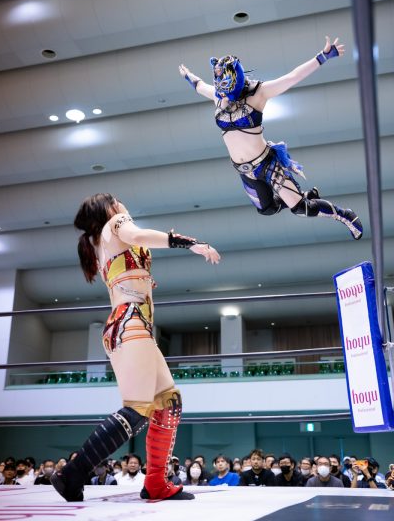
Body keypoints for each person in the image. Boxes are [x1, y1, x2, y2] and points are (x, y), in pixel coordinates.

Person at [51, 193, 220, 503]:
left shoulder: (100, 242)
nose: (122, 203)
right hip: (130, 323)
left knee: (168, 403)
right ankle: (72, 473)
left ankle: (156, 483)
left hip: (131, 324)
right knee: (138, 407)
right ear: (109, 208)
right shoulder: (116, 223)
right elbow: (139, 236)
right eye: (117, 200)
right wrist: (190, 243)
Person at [179, 38, 363, 240]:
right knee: (267, 209)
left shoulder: (258, 93)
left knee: (301, 208)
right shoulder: (218, 96)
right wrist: (188, 75)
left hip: (266, 164)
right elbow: (200, 86)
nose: (221, 92)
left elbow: (292, 77)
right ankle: (302, 195)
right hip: (244, 170)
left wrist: (322, 57)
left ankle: (344, 215)